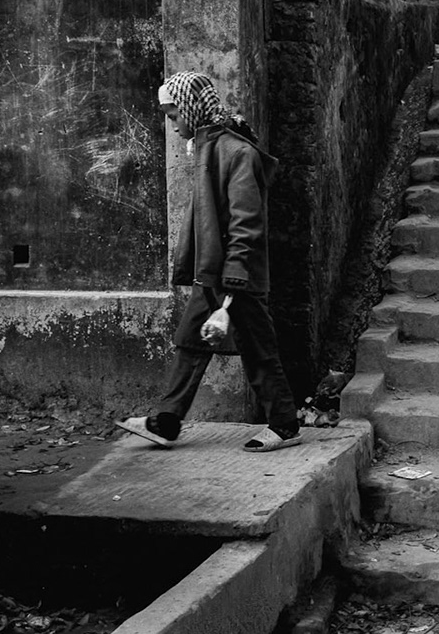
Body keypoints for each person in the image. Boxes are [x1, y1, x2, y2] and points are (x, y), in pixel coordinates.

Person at [117, 71, 301, 452]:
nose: (173, 125)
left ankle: (284, 424)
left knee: (258, 349)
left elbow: (246, 221)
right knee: (191, 341)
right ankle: (167, 421)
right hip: (213, 273)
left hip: (236, 275)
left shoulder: (237, 153)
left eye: (174, 115)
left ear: (191, 109)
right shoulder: (207, 148)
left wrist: (234, 274)